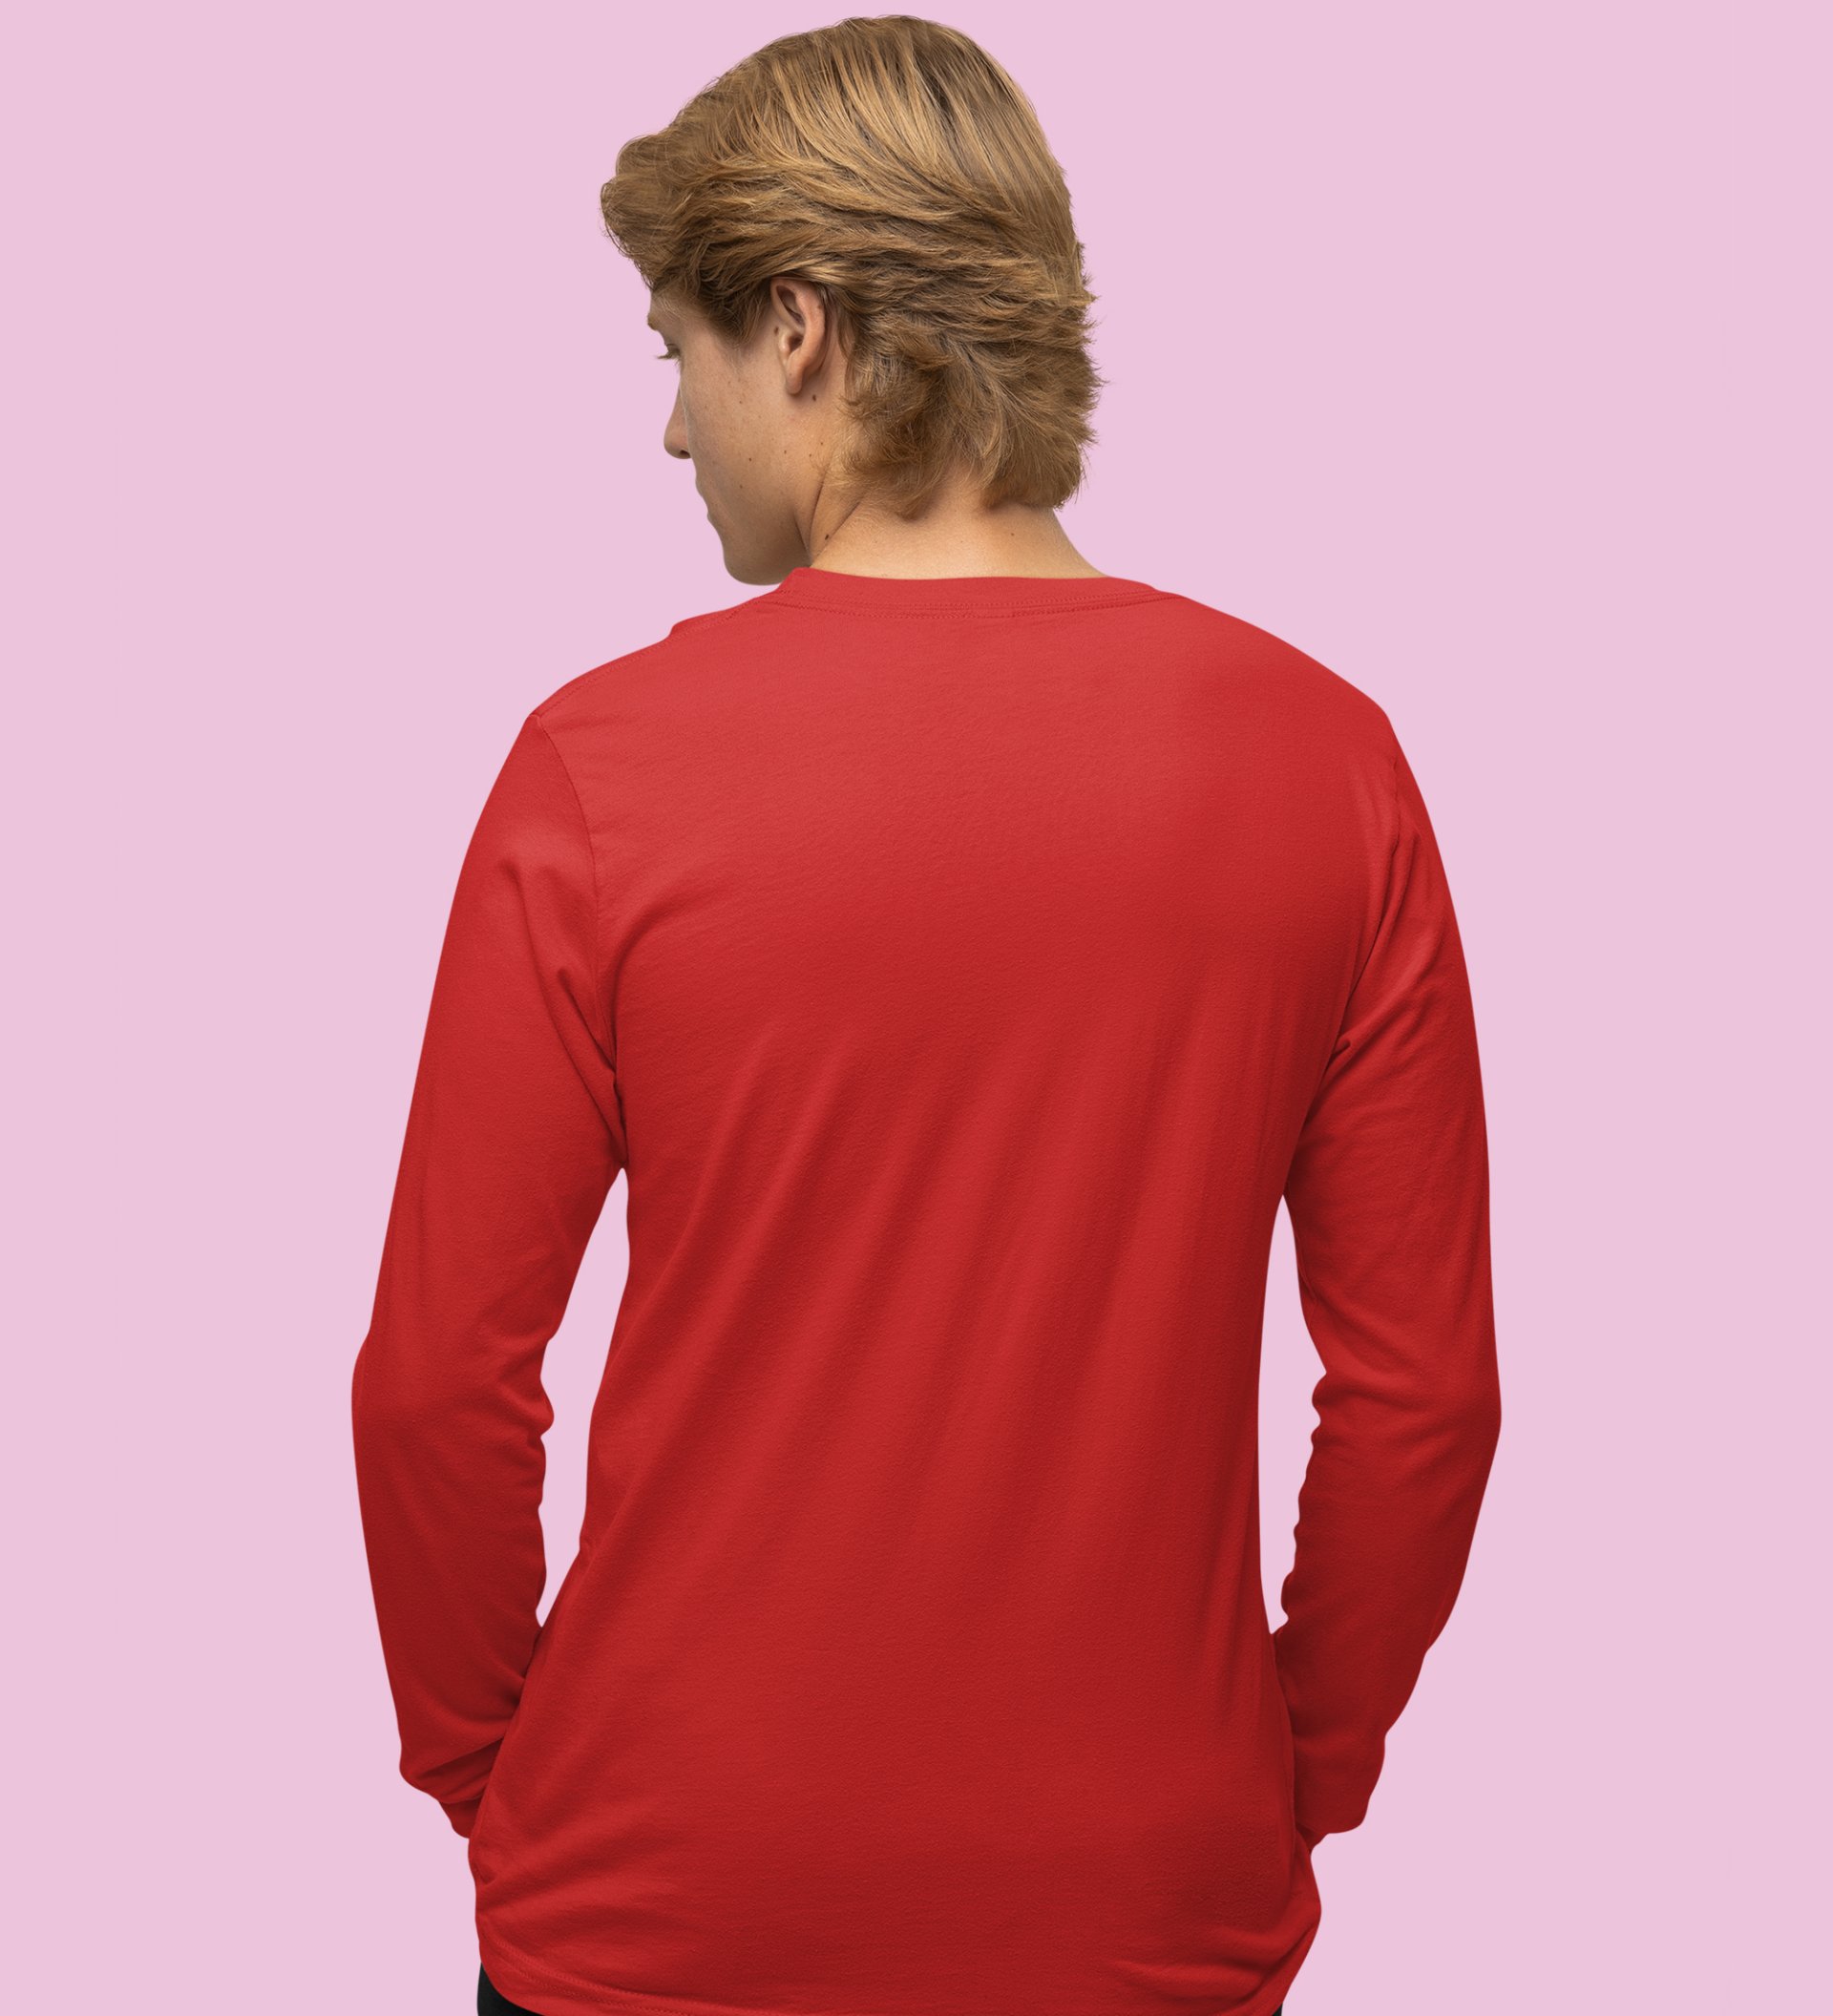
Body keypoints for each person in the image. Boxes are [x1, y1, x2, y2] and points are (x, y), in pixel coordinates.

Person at [350, 17, 1502, 2016]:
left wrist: (493, 1780)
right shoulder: (1328, 764)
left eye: (676, 353)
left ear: (797, 330)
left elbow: (440, 1385)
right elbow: (1424, 1400)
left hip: (664, 1898)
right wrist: (1285, 1780)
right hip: (1143, 1909)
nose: (672, 431)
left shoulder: (603, 772)